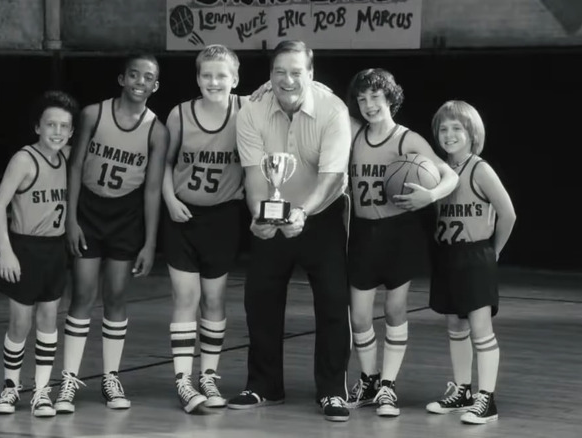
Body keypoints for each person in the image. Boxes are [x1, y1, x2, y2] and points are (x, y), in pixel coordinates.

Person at [226, 40, 353, 422]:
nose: (287, 79)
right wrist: (259, 218)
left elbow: (333, 177)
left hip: (323, 214)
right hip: (273, 214)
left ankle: (331, 391)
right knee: (260, 300)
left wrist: (302, 213)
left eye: (296, 71)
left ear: (310, 74)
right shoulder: (251, 111)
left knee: (332, 302)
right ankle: (264, 385)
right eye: (279, 71)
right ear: (270, 75)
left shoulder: (334, 110)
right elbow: (253, 175)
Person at [53, 53, 168, 414]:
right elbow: (73, 169)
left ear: (155, 85)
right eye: (133, 74)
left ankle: (110, 378)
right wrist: (70, 219)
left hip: (126, 216)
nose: (139, 81)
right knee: (83, 295)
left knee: (116, 296)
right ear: (121, 79)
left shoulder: (157, 130)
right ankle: (69, 379)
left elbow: (151, 190)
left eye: (147, 77)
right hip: (88, 209)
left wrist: (150, 242)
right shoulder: (92, 114)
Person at [344, 68, 458, 417]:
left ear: (390, 98)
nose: (368, 105)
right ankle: (368, 379)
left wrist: (430, 196)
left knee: (395, 309)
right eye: (362, 99)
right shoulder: (353, 133)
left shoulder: (407, 140)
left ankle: (388, 388)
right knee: (360, 316)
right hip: (361, 233)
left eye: (375, 98)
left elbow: (449, 174)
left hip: (399, 232)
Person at [161, 44, 246, 413]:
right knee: (185, 298)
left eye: (221, 75)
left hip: (224, 217)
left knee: (214, 299)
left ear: (235, 79)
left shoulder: (247, 111)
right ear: (197, 78)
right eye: (207, 75)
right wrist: (170, 200)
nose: (214, 81)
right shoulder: (179, 114)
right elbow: (163, 164)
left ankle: (208, 376)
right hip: (182, 215)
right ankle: (183, 380)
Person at [425, 100, 516, 424]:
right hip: (448, 256)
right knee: (455, 325)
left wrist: (494, 251)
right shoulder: (438, 170)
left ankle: (486, 399)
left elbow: (508, 214)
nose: (449, 135)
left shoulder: (480, 169)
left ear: (472, 133)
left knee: (481, 329)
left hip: (476, 254)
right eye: (443, 129)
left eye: (456, 128)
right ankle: (462, 390)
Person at [0, 90, 79, 417]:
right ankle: (10, 388)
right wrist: (5, 252)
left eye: (64, 126)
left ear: (71, 132)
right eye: (50, 124)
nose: (57, 131)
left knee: (47, 320)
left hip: (54, 249)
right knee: (19, 322)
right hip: (23, 247)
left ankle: (42, 391)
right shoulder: (24, 159)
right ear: (37, 127)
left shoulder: (69, 157)